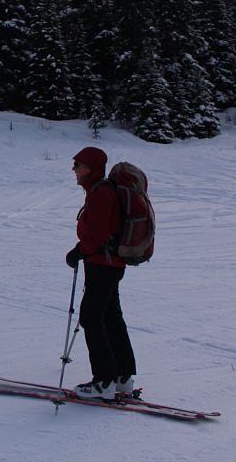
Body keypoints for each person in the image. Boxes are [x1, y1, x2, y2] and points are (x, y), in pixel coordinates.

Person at [66, 146, 136, 400]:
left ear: (92, 167)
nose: (74, 169)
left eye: (78, 164)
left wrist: (78, 252)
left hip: (102, 264)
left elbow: (96, 234)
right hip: (107, 264)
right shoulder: (99, 191)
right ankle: (122, 377)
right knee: (110, 316)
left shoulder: (101, 193)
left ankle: (104, 382)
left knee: (91, 318)